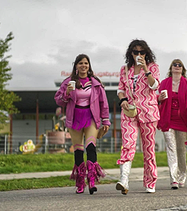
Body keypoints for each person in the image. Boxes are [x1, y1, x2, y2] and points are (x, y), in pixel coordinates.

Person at [54, 54, 110, 194]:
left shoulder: (96, 83)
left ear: (89, 65)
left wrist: (105, 120)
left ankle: (91, 180)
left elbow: (104, 103)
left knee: (91, 147)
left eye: (86, 63)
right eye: (80, 63)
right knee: (78, 150)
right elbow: (59, 101)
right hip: (74, 118)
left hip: (91, 117)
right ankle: (80, 181)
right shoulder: (68, 82)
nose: (83, 65)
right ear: (76, 66)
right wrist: (67, 93)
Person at [116, 39, 160, 194]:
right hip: (130, 112)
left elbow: (154, 86)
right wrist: (123, 100)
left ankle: (150, 181)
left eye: (142, 52)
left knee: (148, 149)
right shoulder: (125, 69)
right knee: (128, 144)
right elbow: (120, 89)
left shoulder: (153, 67)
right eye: (136, 52)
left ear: (146, 53)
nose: (139, 54)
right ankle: (124, 180)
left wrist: (146, 69)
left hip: (149, 112)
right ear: (131, 53)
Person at [157, 59, 187, 189]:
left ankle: (182, 175)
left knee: (180, 149)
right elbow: (156, 98)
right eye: (174, 65)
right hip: (168, 119)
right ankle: (174, 179)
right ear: (171, 68)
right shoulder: (164, 83)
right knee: (171, 149)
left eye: (179, 65)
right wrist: (158, 98)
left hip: (183, 120)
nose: (177, 67)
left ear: (183, 69)